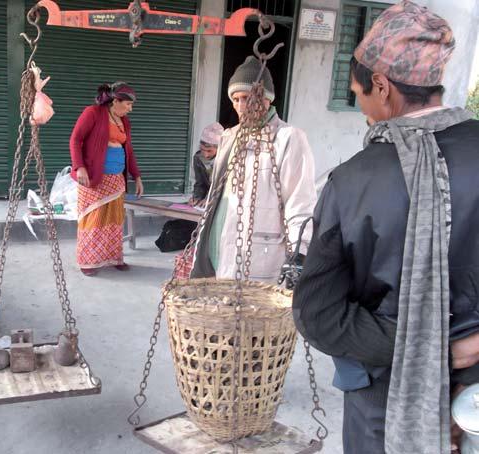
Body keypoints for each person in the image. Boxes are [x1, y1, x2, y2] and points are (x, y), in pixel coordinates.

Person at [292, 2, 479, 453]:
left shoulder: (353, 180)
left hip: (386, 401)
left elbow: (319, 316)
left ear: (382, 85)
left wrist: (430, 347)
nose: (362, 107)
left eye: (359, 93)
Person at [191, 56, 316, 282]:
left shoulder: (288, 139)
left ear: (266, 99)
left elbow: (300, 202)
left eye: (247, 98)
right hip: (220, 251)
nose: (241, 106)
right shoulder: (229, 137)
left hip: (258, 254)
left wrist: (300, 253)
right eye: (236, 99)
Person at [69, 82, 143, 276]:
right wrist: (80, 167)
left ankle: (113, 257)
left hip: (116, 180)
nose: (130, 109)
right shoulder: (93, 113)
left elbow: (129, 150)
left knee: (114, 220)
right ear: (116, 101)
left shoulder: (124, 122)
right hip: (94, 179)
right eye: (127, 104)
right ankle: (88, 261)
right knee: (93, 220)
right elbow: (75, 140)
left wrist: (137, 176)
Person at [189, 122, 224, 207]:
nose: (205, 155)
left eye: (209, 151)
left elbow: (221, 186)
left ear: (219, 148)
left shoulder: (225, 160)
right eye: (202, 149)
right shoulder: (198, 158)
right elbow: (200, 183)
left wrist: (209, 198)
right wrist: (196, 198)